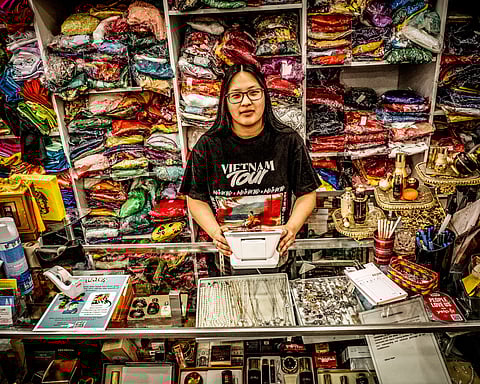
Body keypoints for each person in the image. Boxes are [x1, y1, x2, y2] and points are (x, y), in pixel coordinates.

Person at [180, 63, 320, 267]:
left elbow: (307, 193)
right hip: (228, 259)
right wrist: (214, 232)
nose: (246, 102)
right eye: (236, 95)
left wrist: (291, 227)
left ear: (265, 95)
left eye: (254, 92)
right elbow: (195, 198)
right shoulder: (208, 145)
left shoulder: (288, 141)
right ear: (225, 102)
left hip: (277, 256)